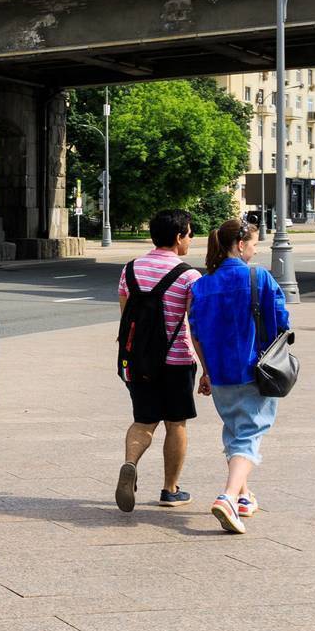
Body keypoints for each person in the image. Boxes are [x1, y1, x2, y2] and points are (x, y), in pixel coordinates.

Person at [188, 217, 290, 534]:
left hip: (219, 373)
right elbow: (282, 320)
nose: (255, 251)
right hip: (253, 370)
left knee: (235, 431)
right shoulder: (259, 277)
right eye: (255, 245)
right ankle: (229, 497)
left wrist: (206, 371)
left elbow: (196, 333)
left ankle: (244, 497)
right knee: (249, 433)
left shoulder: (202, 285)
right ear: (241, 244)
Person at [111, 209, 204, 514]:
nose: (191, 239)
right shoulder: (189, 276)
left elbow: (126, 316)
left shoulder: (130, 269)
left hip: (138, 360)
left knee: (144, 419)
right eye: (189, 234)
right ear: (178, 237)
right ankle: (170, 489)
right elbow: (196, 327)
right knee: (176, 422)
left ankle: (130, 463)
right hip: (176, 360)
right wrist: (207, 369)